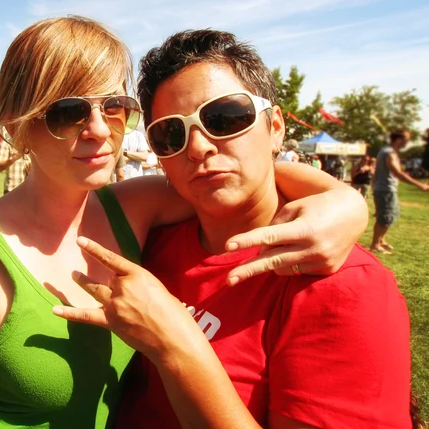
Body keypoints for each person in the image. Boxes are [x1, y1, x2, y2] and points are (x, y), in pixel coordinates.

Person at [0, 16, 368, 429]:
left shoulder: (136, 205)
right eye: (67, 113)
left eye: (115, 107)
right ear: (16, 127)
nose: (97, 130)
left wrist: (343, 201)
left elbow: (231, 172)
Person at [55, 29, 414, 429]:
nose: (198, 147)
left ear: (275, 127)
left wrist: (175, 346)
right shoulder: (150, 238)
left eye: (224, 118)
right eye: (170, 133)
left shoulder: (342, 286)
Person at [370, 129, 429, 254]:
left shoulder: (386, 151)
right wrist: (420, 185)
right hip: (386, 189)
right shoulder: (389, 153)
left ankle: (381, 241)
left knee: (389, 215)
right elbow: (397, 172)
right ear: (398, 139)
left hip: (384, 189)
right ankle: (375, 245)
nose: (408, 142)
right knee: (385, 217)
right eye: (406, 139)